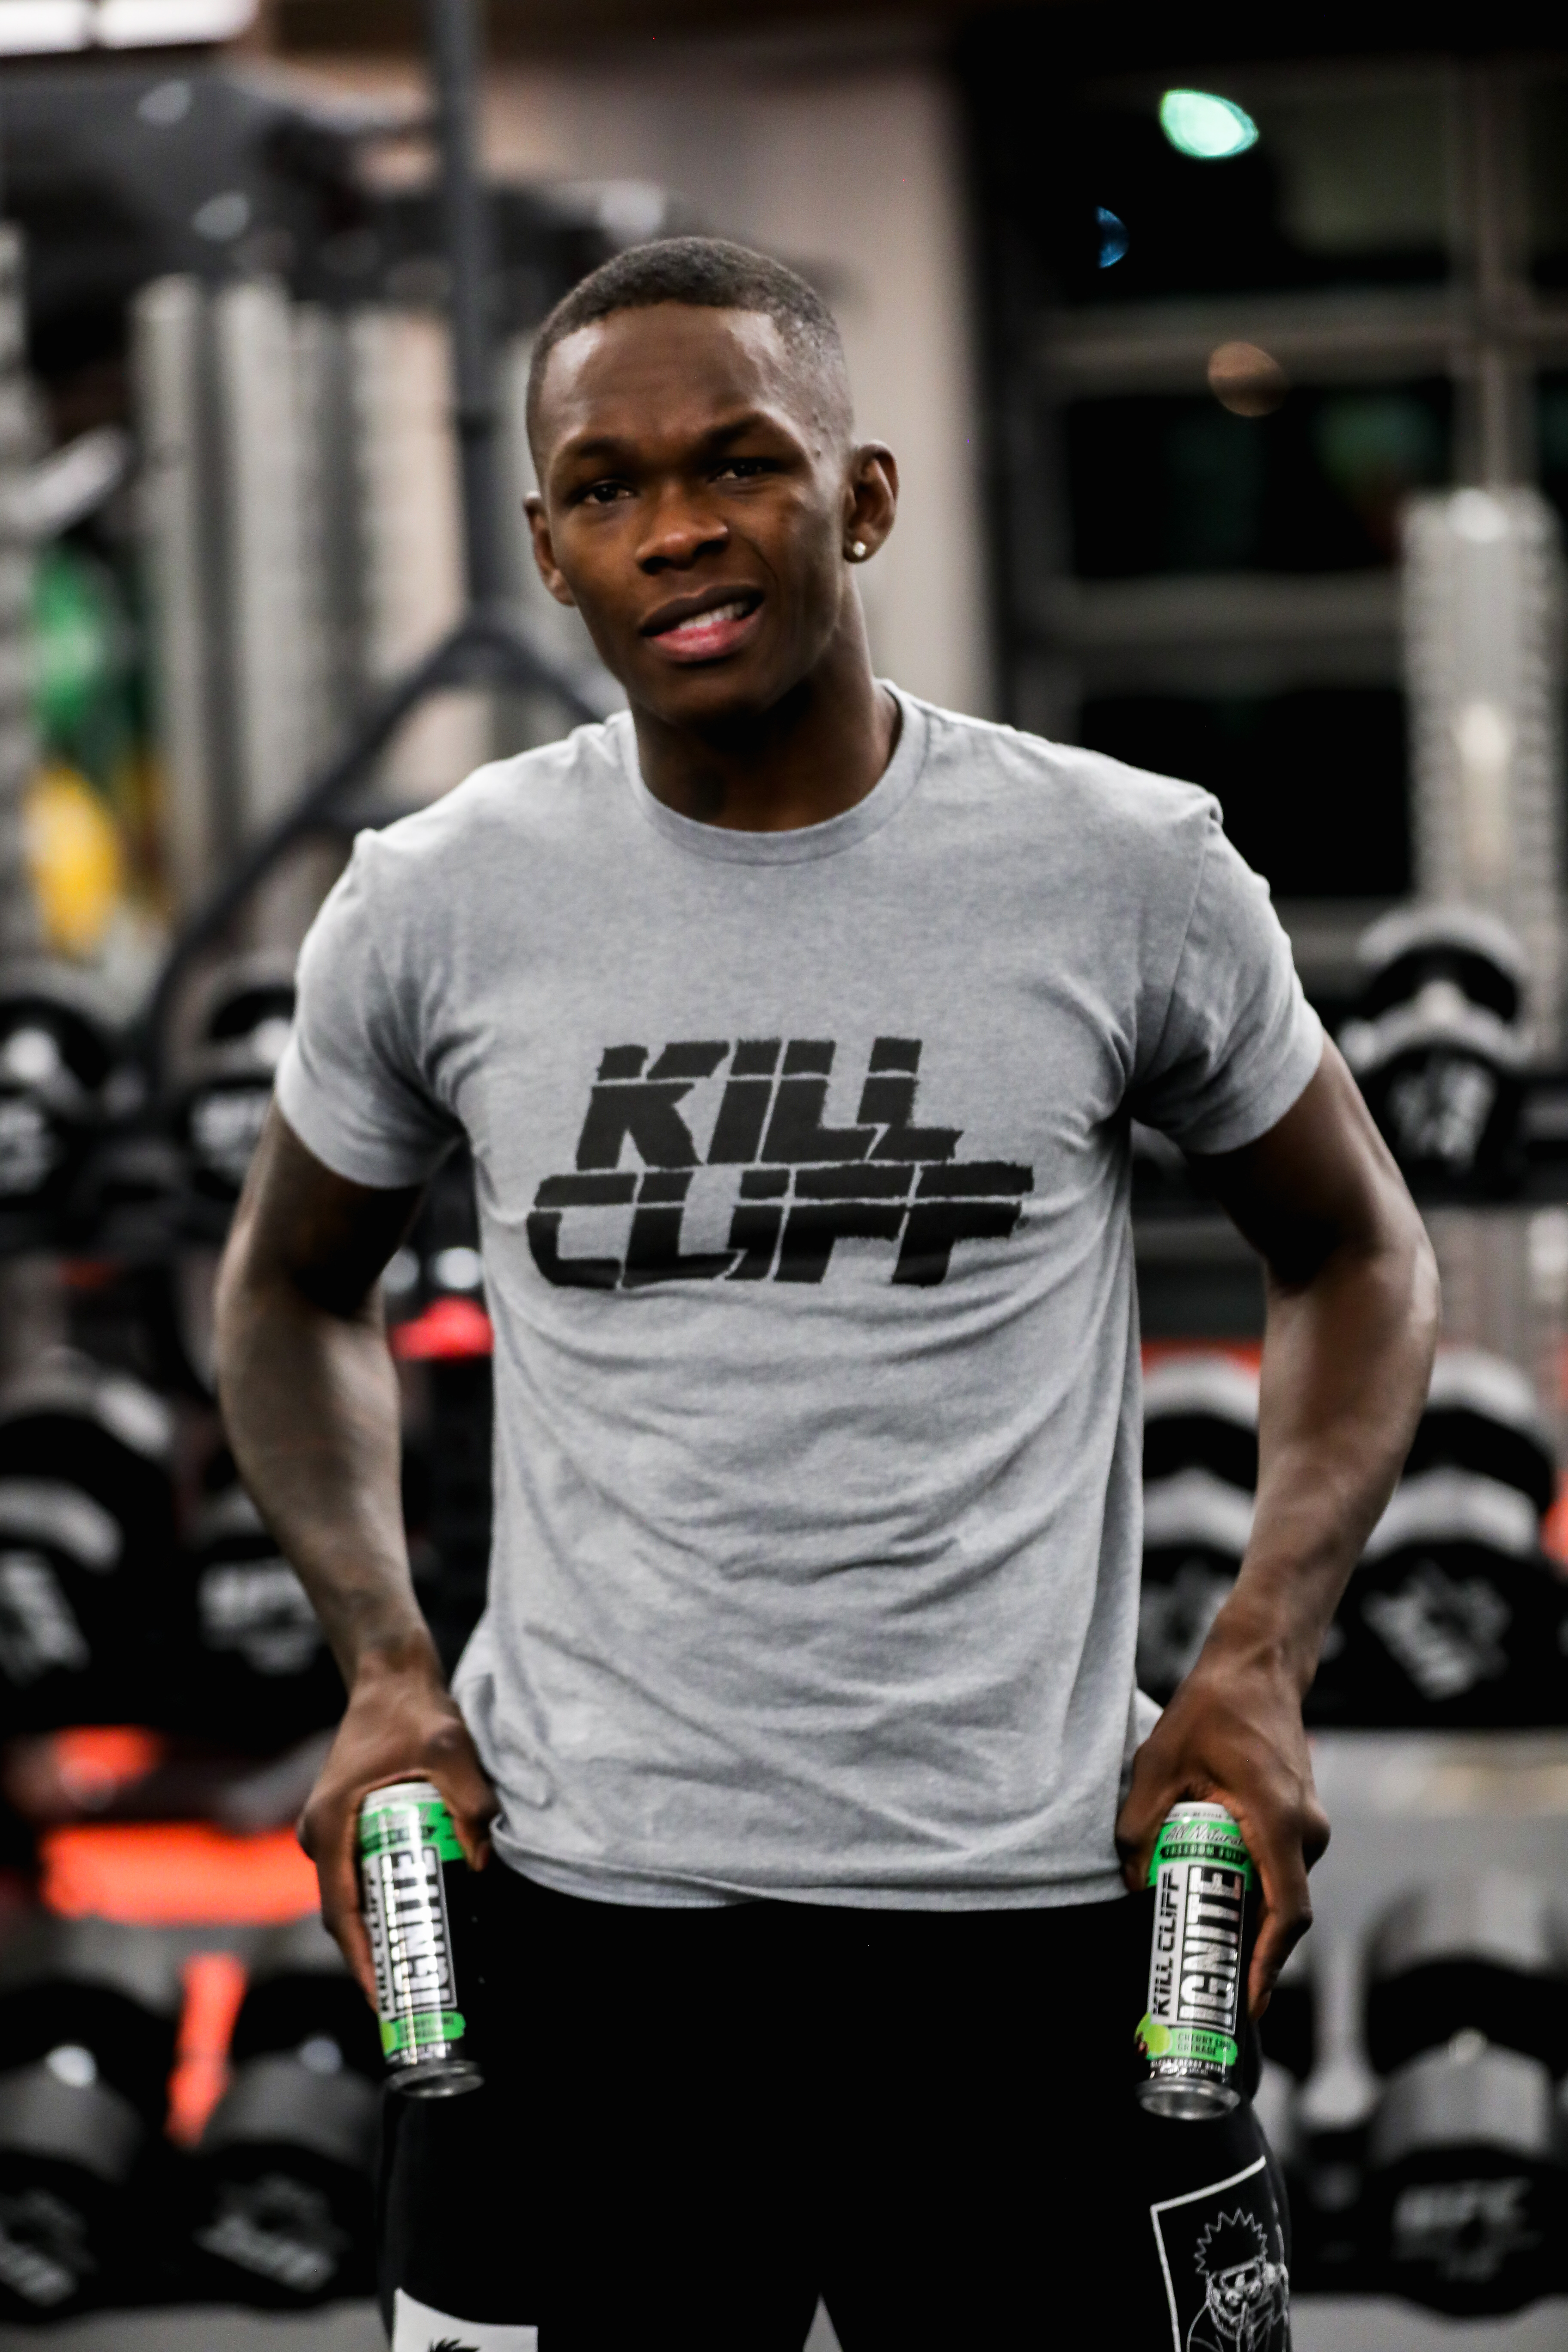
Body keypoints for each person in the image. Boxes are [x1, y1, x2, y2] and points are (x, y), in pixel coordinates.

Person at [215, 237, 1437, 2352]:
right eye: (604, 487)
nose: (675, 528)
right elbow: (285, 1289)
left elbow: (1358, 1247)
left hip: (1034, 1929)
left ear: (862, 498)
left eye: (741, 464)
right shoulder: (435, 903)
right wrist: (384, 1665)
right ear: (546, 551)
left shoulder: (1124, 868)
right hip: (585, 1938)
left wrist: (1260, 1659)